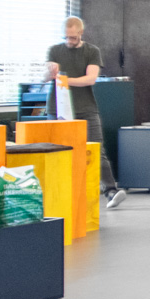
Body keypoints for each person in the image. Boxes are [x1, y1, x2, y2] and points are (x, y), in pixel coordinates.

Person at [46, 16, 124, 208]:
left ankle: (110, 191)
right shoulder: (54, 50)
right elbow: (46, 78)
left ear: (81, 33)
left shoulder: (92, 51)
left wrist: (64, 80)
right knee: (57, 151)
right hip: (57, 109)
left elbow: (90, 79)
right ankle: (59, 191)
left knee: (96, 149)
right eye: (66, 37)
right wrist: (50, 72)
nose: (69, 41)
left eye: (73, 37)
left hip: (86, 108)